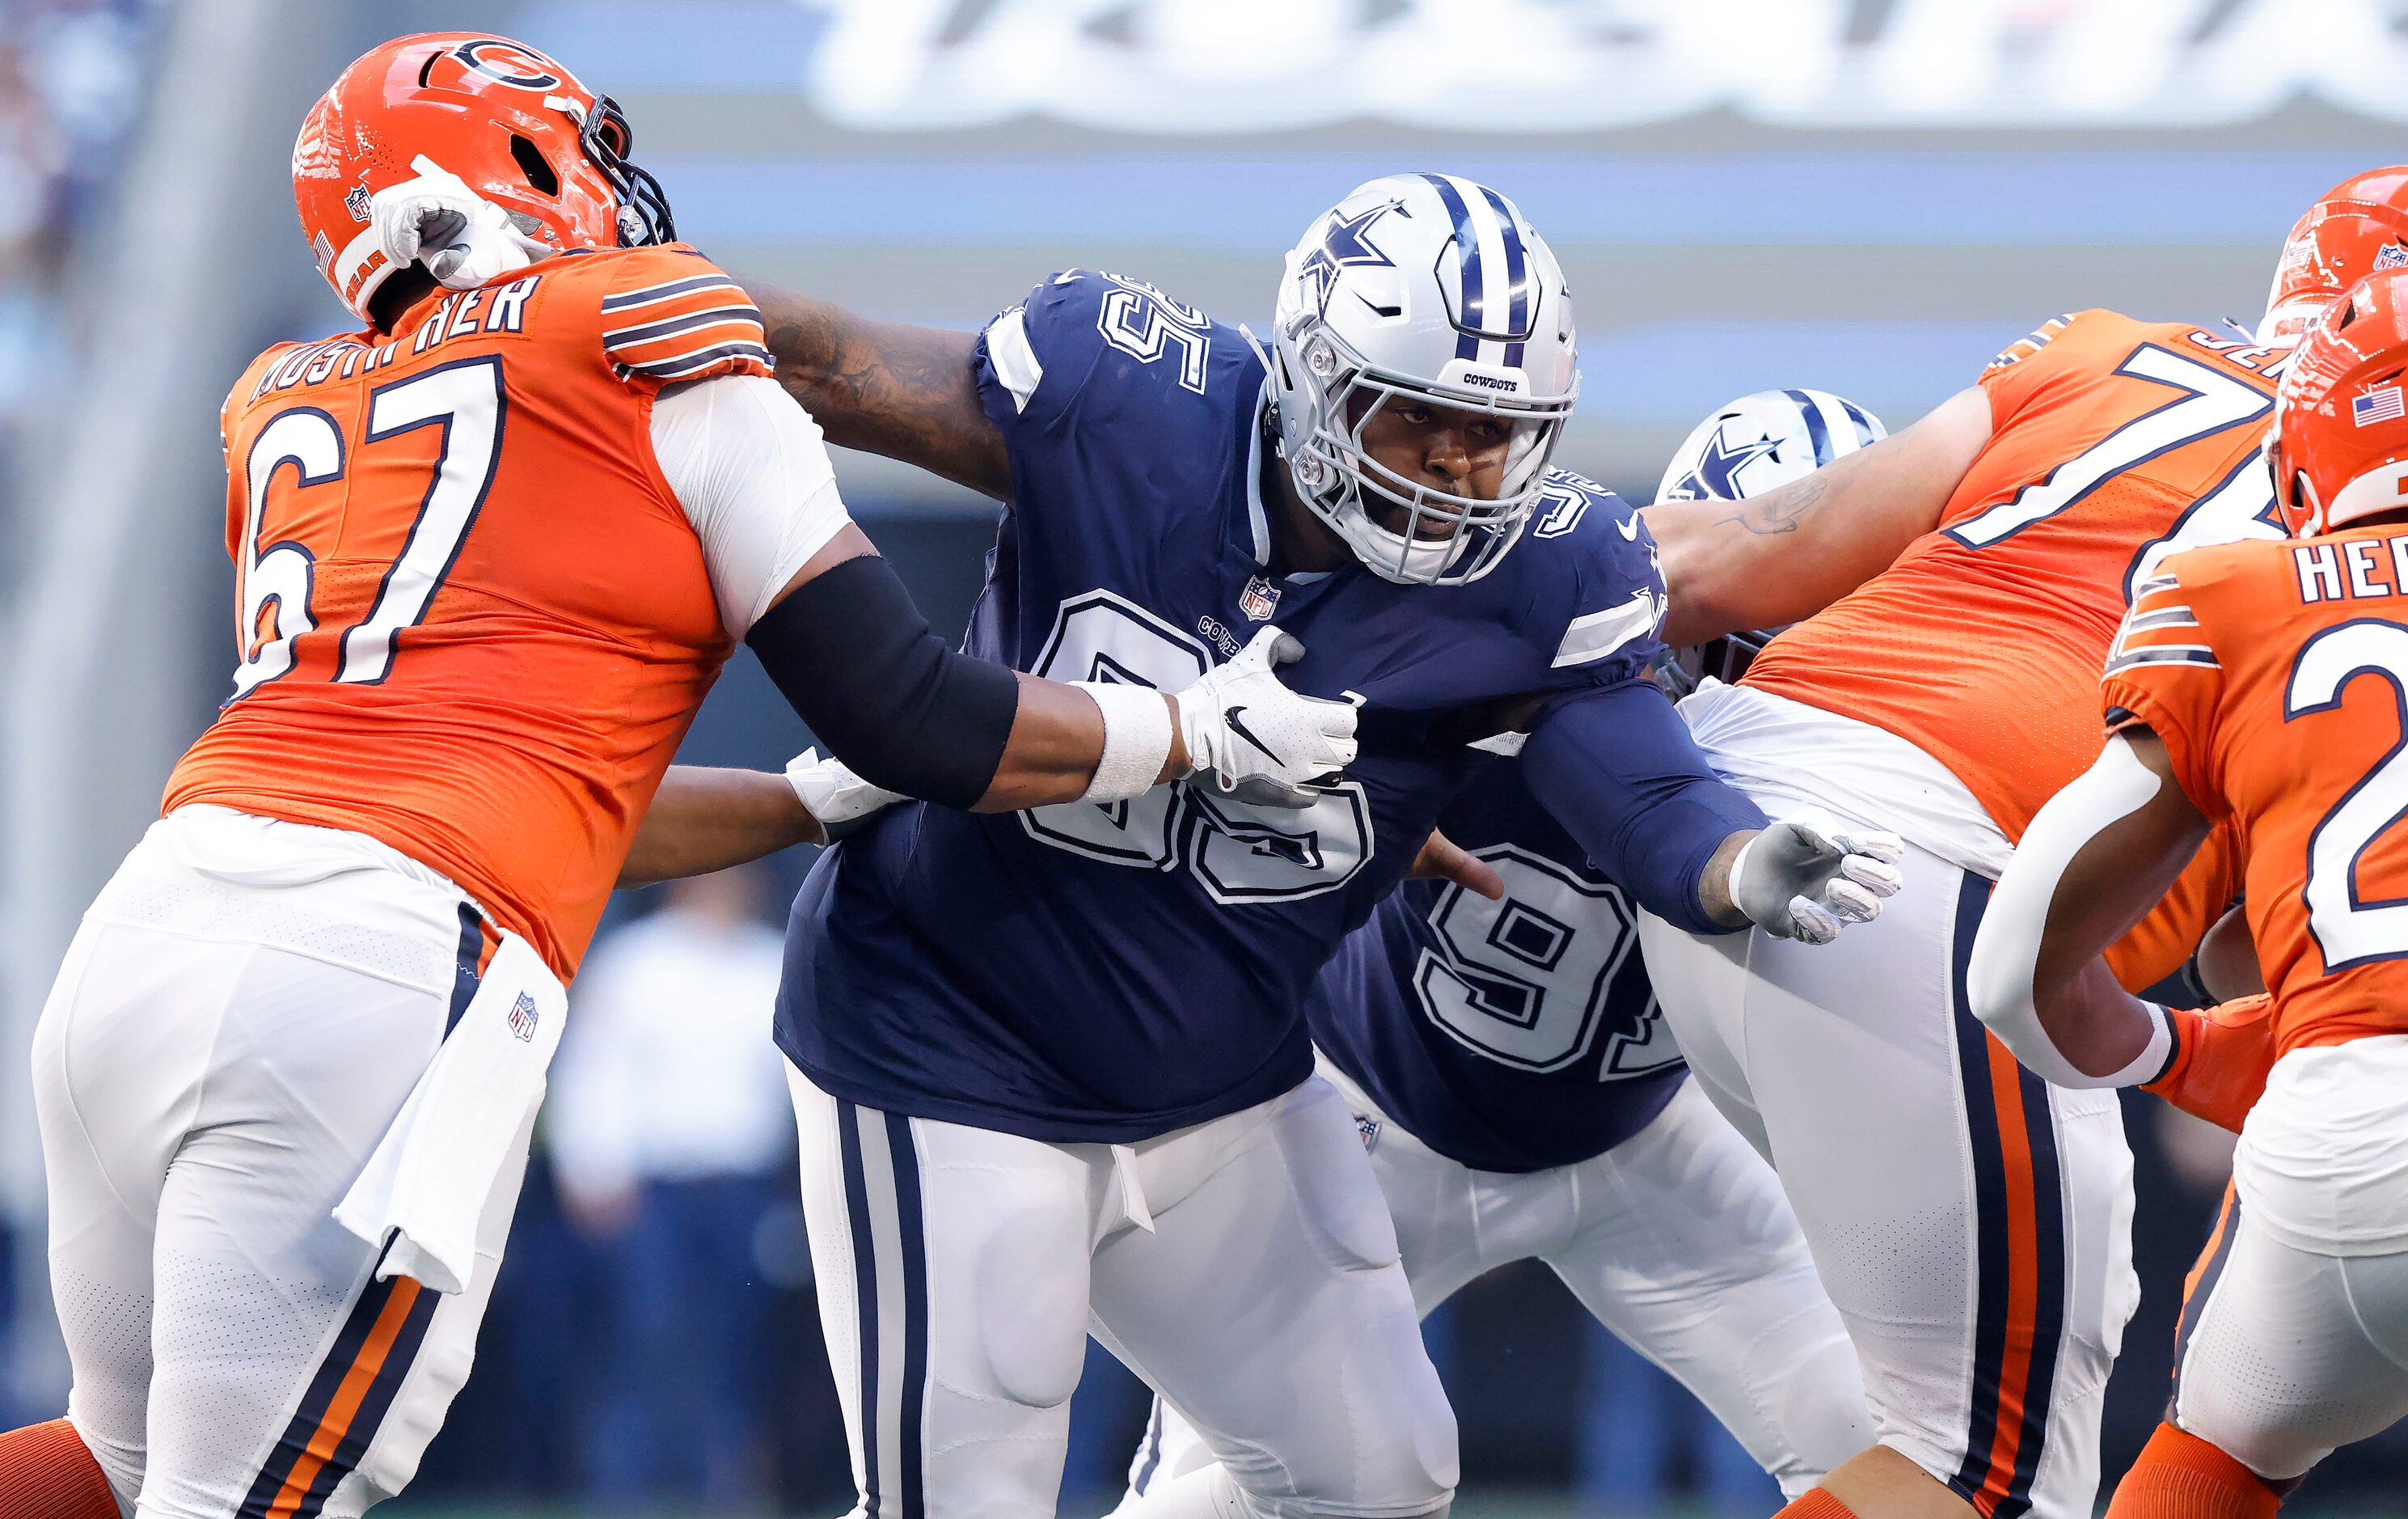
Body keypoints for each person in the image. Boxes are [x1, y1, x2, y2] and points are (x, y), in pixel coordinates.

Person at [2, 32, 1361, 1519]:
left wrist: (793, 801)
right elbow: (910, 710)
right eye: (575, 152)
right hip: (367, 971)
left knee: (106, 1466)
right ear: (514, 171)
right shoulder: (651, 333)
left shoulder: (280, 395)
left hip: (151, 937)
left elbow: (523, 786)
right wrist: (1191, 729)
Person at [748, 174, 1906, 1519]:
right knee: (965, 1490)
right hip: (948, 1032)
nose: (1452, 473)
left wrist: (1737, 865)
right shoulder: (1131, 400)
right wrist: (605, 297)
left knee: (1377, 1471)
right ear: (1309, 374)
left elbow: (1645, 795)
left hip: (1216, 1078)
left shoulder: (1540, 579)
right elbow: (825, 363)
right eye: (1416, 421)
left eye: (1493, 436)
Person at [1626, 167, 2408, 1519]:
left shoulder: (2098, 347)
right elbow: (2265, 932)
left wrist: (1451, 599)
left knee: (1927, 1450)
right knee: (1973, 1470)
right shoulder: (2314, 535)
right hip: (1931, 881)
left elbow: (1743, 557)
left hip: (1733, 814)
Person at [1109, 391, 1886, 1514]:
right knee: (1225, 1491)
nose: (1785, 684)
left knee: (1890, 1443)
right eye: (1769, 633)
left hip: (1642, 1138)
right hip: (1374, 1128)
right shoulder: (1513, 655)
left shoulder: (1875, 757)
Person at [1965, 266, 2408, 1518]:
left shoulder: (2234, 594)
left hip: (2353, 1139)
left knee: (2204, 1466)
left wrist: (2167, 1043)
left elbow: (2012, 970)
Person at [547, 866, 795, 1507]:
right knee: (647, 1336)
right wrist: (591, 1171)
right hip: (651, 1190)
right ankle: (624, 1491)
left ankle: (719, 1491)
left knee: (734, 1343)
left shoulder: (771, 962)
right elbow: (593, 1072)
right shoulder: (635, 963)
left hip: (743, 1188)